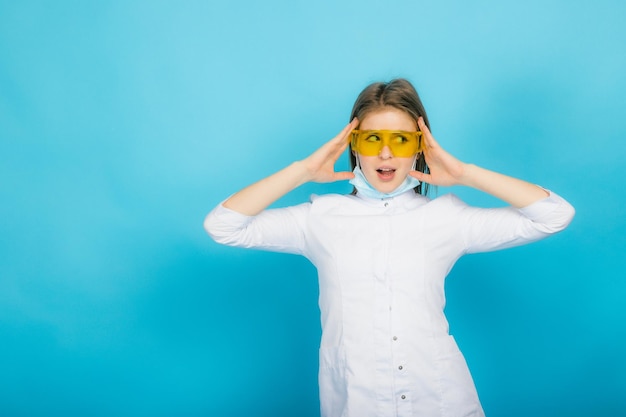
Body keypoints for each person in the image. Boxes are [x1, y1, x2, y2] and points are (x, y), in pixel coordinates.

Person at [204, 79, 575, 417]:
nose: (385, 154)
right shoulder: (320, 218)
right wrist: (302, 170)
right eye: (371, 139)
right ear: (353, 145)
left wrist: (464, 174)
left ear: (419, 146)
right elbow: (222, 226)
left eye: (400, 140)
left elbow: (553, 215)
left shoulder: (448, 218)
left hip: (442, 400)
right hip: (357, 401)